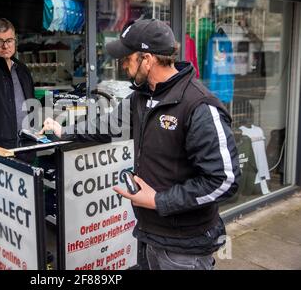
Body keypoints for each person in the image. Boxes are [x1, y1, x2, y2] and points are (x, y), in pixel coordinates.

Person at [40, 19, 240, 270]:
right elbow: (107, 125)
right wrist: (63, 130)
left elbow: (225, 180)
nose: (122, 65)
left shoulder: (199, 105)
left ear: (147, 59)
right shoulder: (141, 96)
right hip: (149, 235)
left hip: (184, 247)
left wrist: (160, 201)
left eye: (127, 58)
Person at [0, 18, 35, 149]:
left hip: (27, 145)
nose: (5, 46)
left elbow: (31, 104)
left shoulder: (22, 69)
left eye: (9, 40)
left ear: (15, 41)